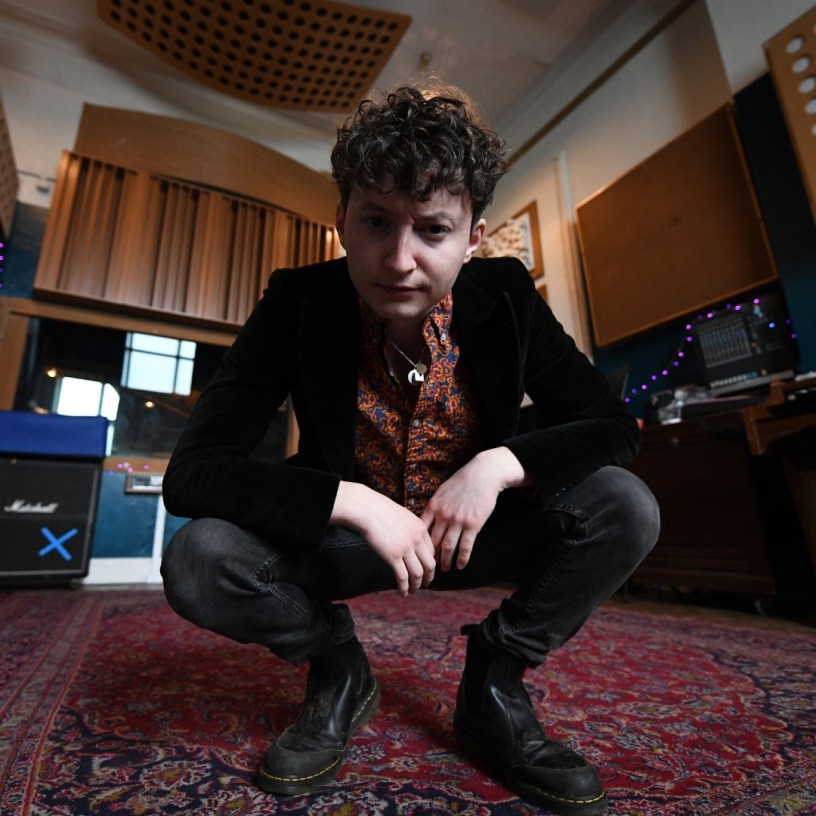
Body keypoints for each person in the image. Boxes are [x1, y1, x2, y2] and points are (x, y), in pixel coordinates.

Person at [160, 82, 660, 816]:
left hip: (474, 535)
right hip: (347, 543)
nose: (399, 259)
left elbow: (613, 425)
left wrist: (499, 466)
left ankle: (494, 683)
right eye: (376, 222)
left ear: (473, 239)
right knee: (199, 559)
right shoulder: (295, 303)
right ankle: (339, 669)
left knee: (625, 506)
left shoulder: (507, 294)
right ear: (341, 222)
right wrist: (351, 501)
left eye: (432, 230)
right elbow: (193, 473)